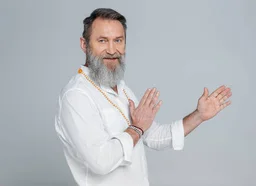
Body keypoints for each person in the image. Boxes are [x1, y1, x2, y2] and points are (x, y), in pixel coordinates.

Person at [54, 8, 232, 185]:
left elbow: (153, 136)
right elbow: (100, 161)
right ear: (84, 44)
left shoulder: (121, 89)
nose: (111, 49)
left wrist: (198, 116)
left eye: (118, 40)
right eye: (102, 40)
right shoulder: (77, 95)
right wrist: (137, 128)